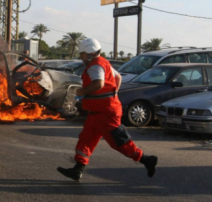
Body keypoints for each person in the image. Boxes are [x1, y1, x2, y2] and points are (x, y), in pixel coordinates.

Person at [57, 38, 158, 182]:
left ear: (90, 53)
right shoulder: (103, 62)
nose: (81, 57)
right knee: (86, 139)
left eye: (82, 54)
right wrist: (113, 93)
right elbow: (117, 77)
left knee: (119, 142)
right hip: (97, 112)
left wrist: (82, 91)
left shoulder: (95, 66)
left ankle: (146, 159)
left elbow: (98, 83)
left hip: (106, 113)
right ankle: (78, 169)